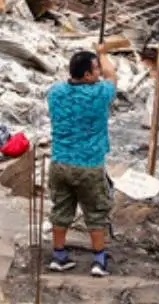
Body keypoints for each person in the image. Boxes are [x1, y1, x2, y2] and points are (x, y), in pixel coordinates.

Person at [47, 43, 117, 277]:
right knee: (96, 212)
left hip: (59, 162)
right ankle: (99, 261)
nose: (99, 72)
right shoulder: (101, 93)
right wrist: (103, 52)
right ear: (87, 75)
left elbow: (102, 74)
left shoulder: (55, 92)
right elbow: (112, 73)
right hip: (88, 165)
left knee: (61, 209)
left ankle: (59, 256)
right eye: (95, 69)